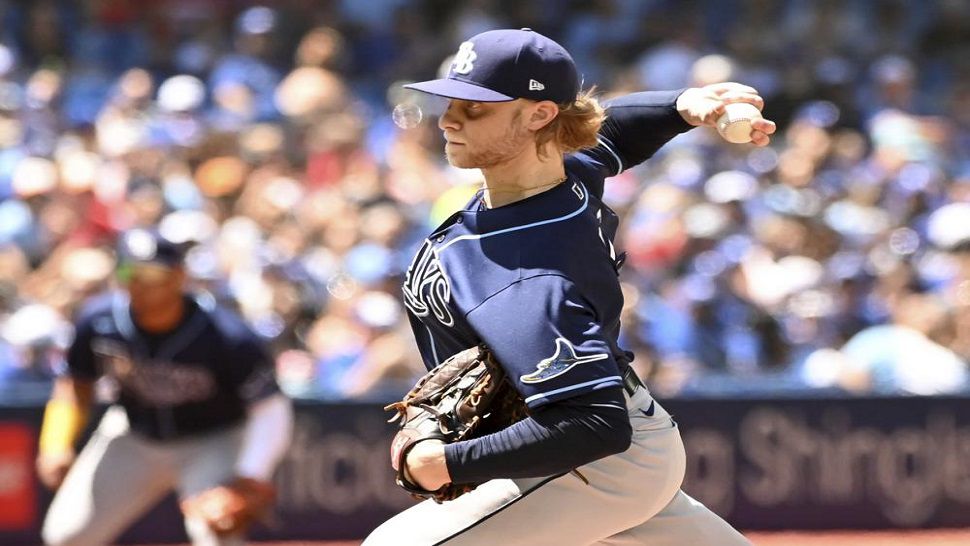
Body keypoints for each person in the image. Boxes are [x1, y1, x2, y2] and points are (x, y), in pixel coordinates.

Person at [364, 28, 775, 545]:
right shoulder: (563, 173)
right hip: (616, 451)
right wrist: (682, 106)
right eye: (451, 100)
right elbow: (613, 136)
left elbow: (594, 424)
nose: (448, 118)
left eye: (476, 108)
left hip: (595, 464)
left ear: (539, 114)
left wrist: (446, 462)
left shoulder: (529, 277)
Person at [35, 229, 294, 546]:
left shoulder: (227, 336)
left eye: (151, 273)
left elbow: (270, 409)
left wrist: (250, 476)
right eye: (130, 271)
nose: (139, 283)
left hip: (212, 441)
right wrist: (56, 442)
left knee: (217, 534)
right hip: (134, 436)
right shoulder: (98, 319)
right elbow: (75, 383)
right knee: (65, 536)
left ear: (178, 276)